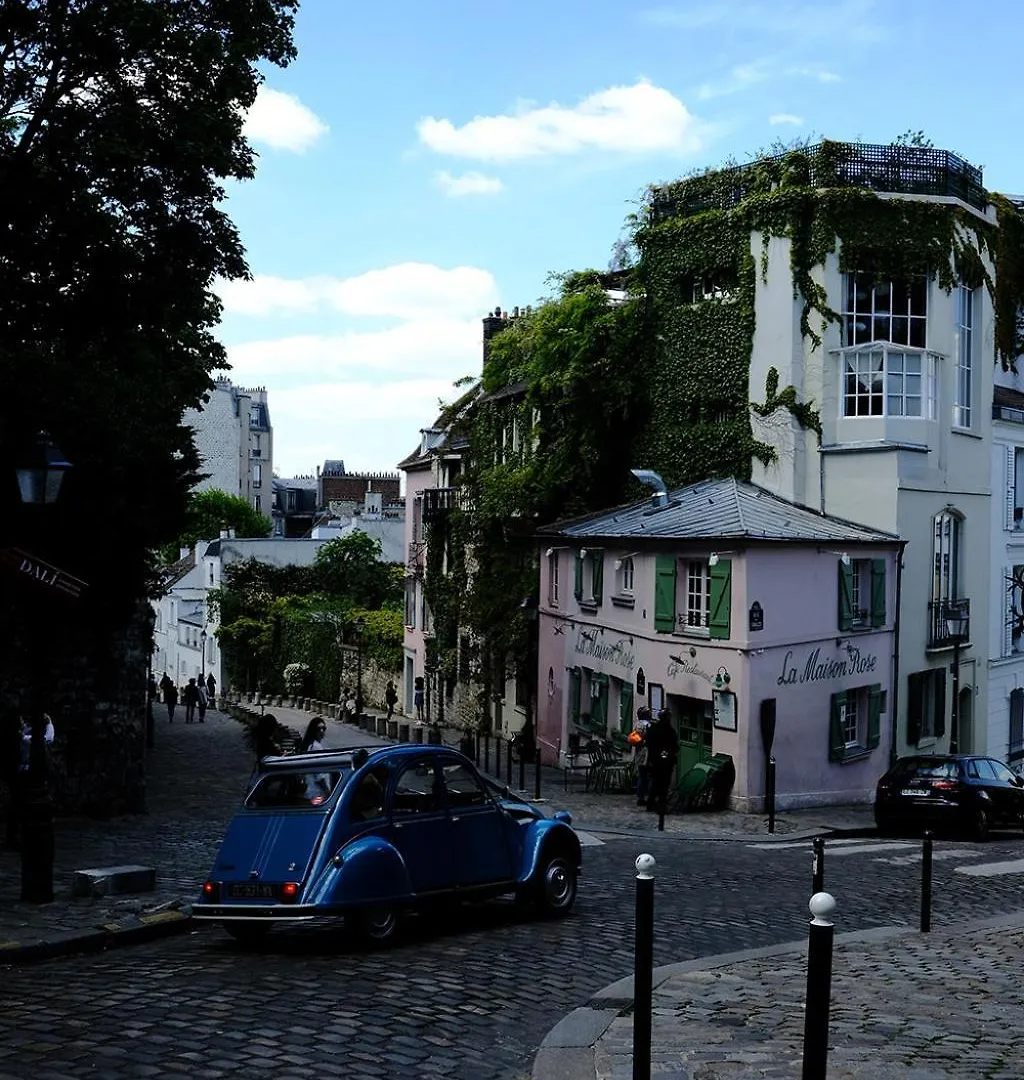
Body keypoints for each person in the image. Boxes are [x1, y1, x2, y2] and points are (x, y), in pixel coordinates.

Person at [645, 708, 679, 813]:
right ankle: (661, 806)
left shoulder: (653, 728)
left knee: (656, 782)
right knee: (664, 784)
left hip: (656, 760)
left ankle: (651, 803)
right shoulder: (670, 731)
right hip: (666, 761)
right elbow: (675, 746)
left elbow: (648, 743)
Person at [633, 706, 653, 808]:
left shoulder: (637, 724)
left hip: (638, 752)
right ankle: (649, 797)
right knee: (649, 776)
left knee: (641, 776)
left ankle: (640, 797)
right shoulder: (647, 725)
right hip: (647, 752)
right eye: (648, 713)